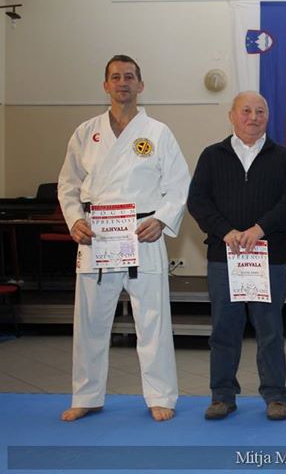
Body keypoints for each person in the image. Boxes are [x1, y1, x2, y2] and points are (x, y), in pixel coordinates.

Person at [57, 54, 190, 422]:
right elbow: (67, 184)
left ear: (140, 85)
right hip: (97, 235)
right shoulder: (86, 132)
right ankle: (87, 395)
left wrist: (162, 220)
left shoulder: (158, 132)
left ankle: (160, 396)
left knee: (153, 321)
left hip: (142, 233)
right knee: (90, 322)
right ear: (105, 85)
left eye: (129, 77)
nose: (122, 83)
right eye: (115, 77)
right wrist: (75, 220)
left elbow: (179, 185)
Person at [187, 92, 286, 421]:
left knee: (270, 331)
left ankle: (275, 396)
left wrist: (259, 229)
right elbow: (197, 201)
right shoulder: (212, 156)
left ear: (268, 117)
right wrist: (226, 231)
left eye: (260, 111)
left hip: (269, 259)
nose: (253, 117)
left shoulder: (284, 158)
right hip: (224, 258)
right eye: (246, 111)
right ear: (232, 115)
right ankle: (222, 396)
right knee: (224, 329)